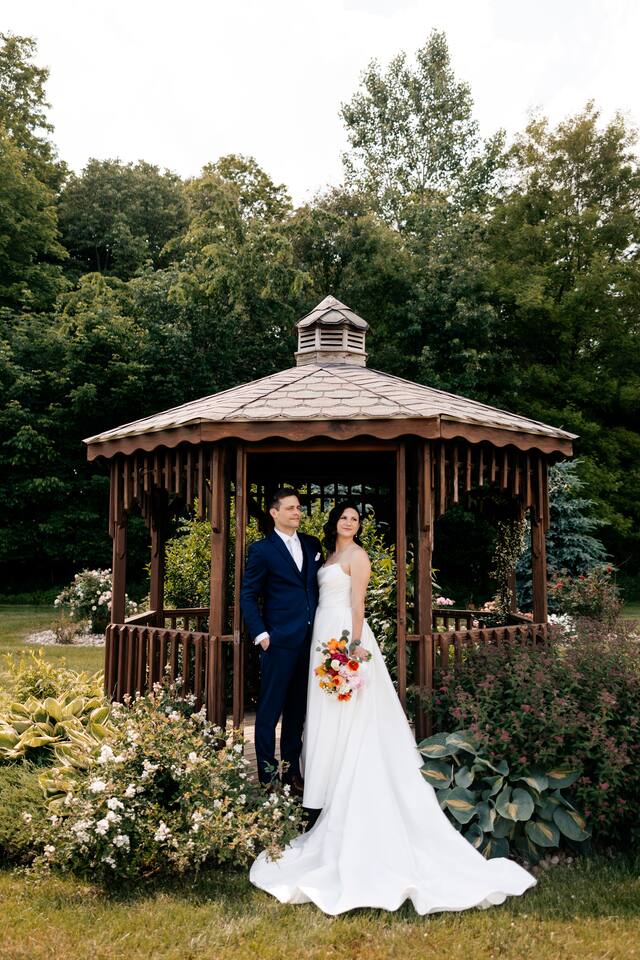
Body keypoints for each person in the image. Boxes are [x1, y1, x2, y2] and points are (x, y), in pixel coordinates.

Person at [249, 501, 536, 915]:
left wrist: (351, 647)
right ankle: (318, 789)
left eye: (355, 519)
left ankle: (342, 795)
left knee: (351, 718)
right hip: (316, 640)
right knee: (324, 718)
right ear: (334, 522)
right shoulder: (320, 552)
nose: (349, 522)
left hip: (342, 638)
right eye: (344, 517)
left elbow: (358, 604)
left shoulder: (357, 556)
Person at [240, 488, 323, 794]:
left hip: (309, 642)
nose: (297, 512)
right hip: (277, 643)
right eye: (290, 508)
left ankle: (291, 774)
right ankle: (267, 778)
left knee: (296, 712)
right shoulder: (262, 550)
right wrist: (262, 636)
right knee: (269, 712)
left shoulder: (312, 545)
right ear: (274, 512)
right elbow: (248, 595)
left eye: (298, 507)